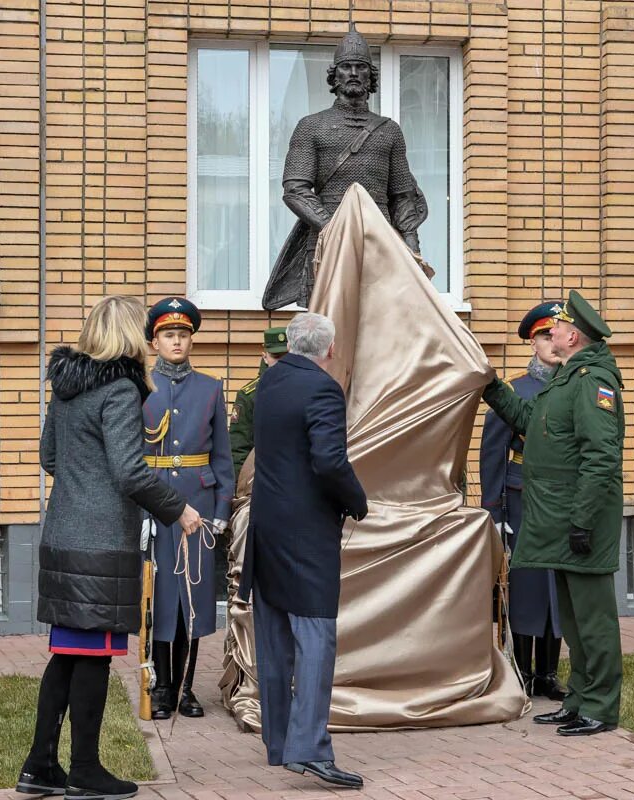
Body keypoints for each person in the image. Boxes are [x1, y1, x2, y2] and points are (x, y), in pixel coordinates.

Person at [19, 295, 203, 800]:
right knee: (93, 657)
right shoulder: (120, 389)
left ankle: (39, 767)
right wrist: (178, 509)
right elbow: (128, 471)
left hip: (62, 536)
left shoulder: (68, 388)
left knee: (67, 654)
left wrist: (83, 487)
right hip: (101, 544)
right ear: (129, 336)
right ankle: (84, 770)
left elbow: (50, 456)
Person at [481, 290, 625, 737]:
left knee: (593, 619)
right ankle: (579, 699)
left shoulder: (591, 383)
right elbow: (529, 420)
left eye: (559, 326)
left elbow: (601, 456)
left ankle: (601, 705)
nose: (554, 332)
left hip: (581, 522)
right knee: (575, 620)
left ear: (574, 336)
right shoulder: (567, 378)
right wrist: (491, 387)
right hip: (561, 520)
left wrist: (582, 520)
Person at [237, 312, 368, 788]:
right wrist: (357, 501)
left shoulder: (268, 384)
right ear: (329, 350)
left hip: (266, 525)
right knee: (315, 639)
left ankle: (279, 742)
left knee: (274, 637)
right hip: (307, 532)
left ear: (290, 344)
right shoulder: (323, 389)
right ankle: (310, 749)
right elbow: (329, 460)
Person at [262, 24, 427, 309]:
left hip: (380, 243)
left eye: (360, 67)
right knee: (327, 326)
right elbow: (295, 188)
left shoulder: (389, 131)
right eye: (346, 67)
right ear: (334, 75)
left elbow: (402, 197)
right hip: (326, 243)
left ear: (370, 76)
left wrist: (412, 249)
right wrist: (335, 227)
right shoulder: (311, 126)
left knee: (379, 323)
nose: (353, 73)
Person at [141, 297, 235, 719]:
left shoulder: (210, 387)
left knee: (192, 597)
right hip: (155, 505)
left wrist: (221, 507)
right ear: (154, 342)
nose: (176, 342)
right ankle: (160, 687)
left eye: (182, 335)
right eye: (168, 335)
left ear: (191, 340)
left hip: (197, 505)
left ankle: (185, 688)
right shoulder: (141, 386)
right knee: (158, 597)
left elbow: (223, 458)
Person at [479, 301, 566, 702]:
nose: (552, 342)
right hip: (521, 499)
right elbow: (493, 454)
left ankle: (550, 672)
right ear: (533, 342)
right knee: (528, 586)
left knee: (557, 586)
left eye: (557, 334)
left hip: (561, 504)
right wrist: (494, 513)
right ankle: (525, 671)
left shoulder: (573, 386)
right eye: (545, 335)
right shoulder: (515, 390)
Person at [229, 326, 288, 479]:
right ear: (265, 357)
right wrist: (238, 488)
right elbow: (239, 447)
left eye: (287, 356)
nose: (282, 362)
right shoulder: (249, 395)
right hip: (262, 478)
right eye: (276, 356)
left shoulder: (308, 388)